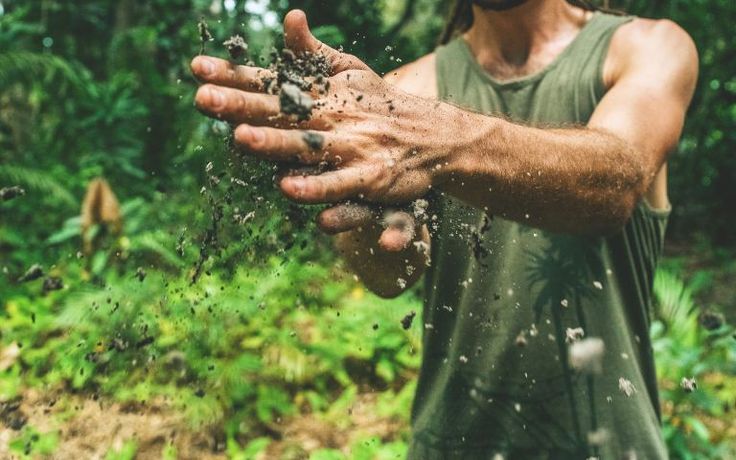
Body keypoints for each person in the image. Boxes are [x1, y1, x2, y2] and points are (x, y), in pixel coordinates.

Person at [191, 0, 697, 457]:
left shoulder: (646, 47)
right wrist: (381, 226)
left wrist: (441, 140)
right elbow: (388, 276)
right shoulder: (405, 92)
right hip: (452, 443)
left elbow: (614, 182)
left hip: (609, 443)